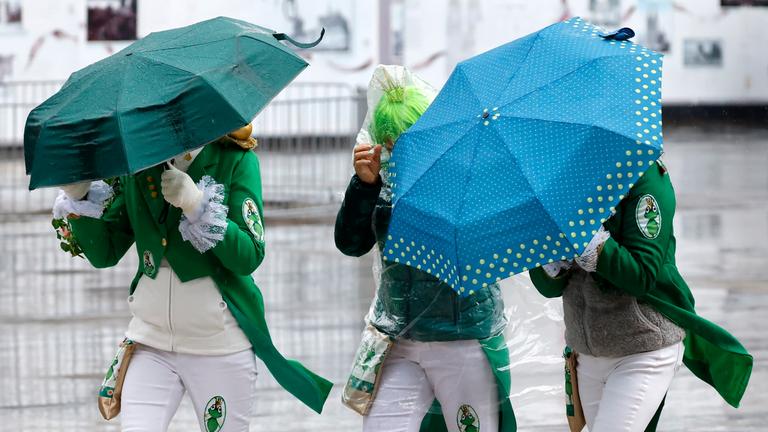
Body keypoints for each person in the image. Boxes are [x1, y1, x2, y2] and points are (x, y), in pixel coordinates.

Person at [53, 126, 330, 432]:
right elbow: (105, 253)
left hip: (219, 346)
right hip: (151, 341)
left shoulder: (235, 159)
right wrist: (80, 197)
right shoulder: (139, 162)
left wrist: (198, 206)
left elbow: (249, 255)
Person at [335, 65, 515, 432]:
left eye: (402, 141)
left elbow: (483, 249)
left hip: (462, 337)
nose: (393, 151)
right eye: (387, 142)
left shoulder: (464, 178)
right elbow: (350, 243)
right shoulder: (382, 183)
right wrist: (364, 187)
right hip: (400, 338)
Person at [529, 159, 752, 432]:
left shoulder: (645, 177)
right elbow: (548, 288)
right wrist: (553, 259)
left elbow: (642, 275)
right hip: (587, 352)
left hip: (643, 347)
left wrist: (591, 242)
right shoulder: (556, 182)